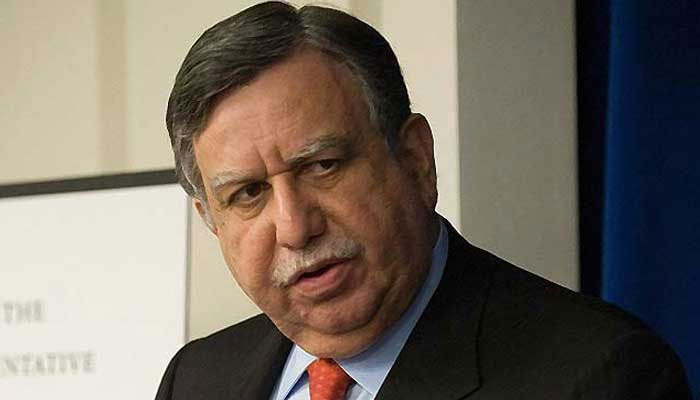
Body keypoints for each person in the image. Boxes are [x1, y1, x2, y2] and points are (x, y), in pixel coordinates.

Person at [155, 2, 691, 399]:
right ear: (211, 221)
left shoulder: (599, 377)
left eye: (323, 166)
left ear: (414, 159)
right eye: (249, 193)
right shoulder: (197, 380)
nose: (296, 227)